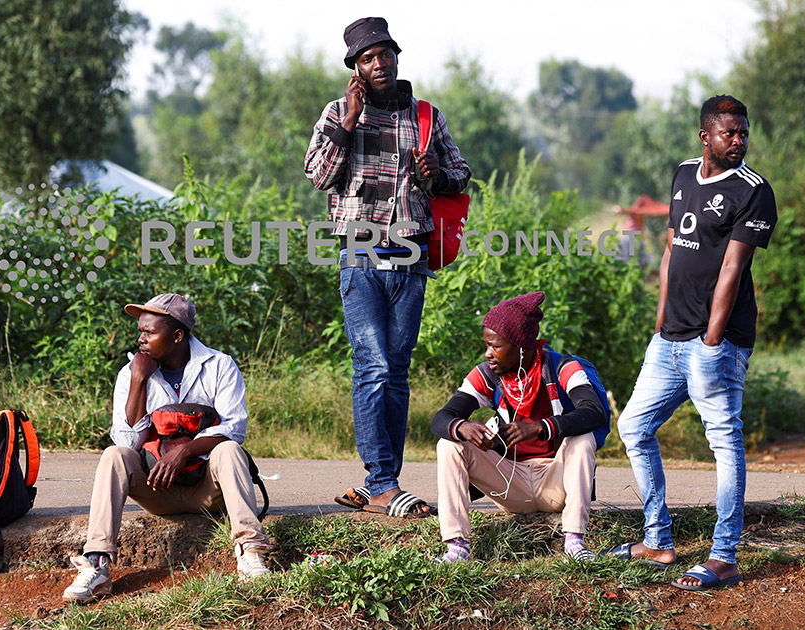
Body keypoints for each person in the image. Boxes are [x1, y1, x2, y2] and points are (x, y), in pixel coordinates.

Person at [305, 16, 471, 518]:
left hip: (411, 252)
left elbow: (461, 176)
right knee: (373, 368)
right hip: (360, 252)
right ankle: (381, 483)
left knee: (396, 373)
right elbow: (318, 176)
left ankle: (383, 481)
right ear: (355, 67)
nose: (379, 64)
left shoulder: (425, 115)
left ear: (397, 57)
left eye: (385, 54)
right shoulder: (338, 112)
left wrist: (438, 174)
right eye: (368, 58)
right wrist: (348, 122)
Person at [610, 95, 778, 591]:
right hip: (669, 339)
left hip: (716, 344)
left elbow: (733, 267)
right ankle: (658, 541)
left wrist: (711, 338)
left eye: (744, 132)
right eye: (730, 133)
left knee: (724, 442)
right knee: (633, 426)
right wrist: (662, 322)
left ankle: (724, 556)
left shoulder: (754, 191)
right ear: (706, 136)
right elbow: (670, 252)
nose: (739, 141)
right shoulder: (684, 174)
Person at [62, 293, 272, 603]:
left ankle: (251, 553)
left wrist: (184, 451)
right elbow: (127, 441)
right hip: (155, 490)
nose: (141, 339)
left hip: (207, 491)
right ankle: (97, 566)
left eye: (149, 332)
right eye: (140, 331)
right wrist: (138, 381)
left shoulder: (219, 365)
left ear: (177, 336)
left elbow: (234, 428)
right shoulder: (132, 373)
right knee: (114, 455)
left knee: (230, 450)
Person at [430, 292, 607, 562]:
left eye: (495, 346)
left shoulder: (563, 366)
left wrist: (540, 427)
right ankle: (457, 546)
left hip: (557, 481)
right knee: (449, 443)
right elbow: (441, 418)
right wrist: (463, 428)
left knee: (581, 440)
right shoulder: (489, 373)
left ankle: (575, 542)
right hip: (511, 485)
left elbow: (594, 412)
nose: (488, 353)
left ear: (522, 346)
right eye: (487, 345)